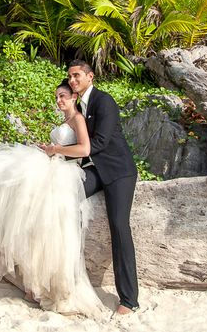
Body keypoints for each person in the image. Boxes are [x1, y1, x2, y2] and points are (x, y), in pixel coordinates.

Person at [0, 80, 103, 316]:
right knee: (20, 206)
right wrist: (49, 149)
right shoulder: (66, 121)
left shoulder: (78, 119)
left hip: (65, 172)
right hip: (53, 163)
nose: (59, 101)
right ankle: (35, 285)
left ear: (73, 98)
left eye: (62, 96)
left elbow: (83, 149)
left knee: (50, 226)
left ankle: (53, 287)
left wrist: (55, 150)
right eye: (56, 97)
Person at [65, 59, 139, 315]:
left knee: (119, 227)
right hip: (95, 170)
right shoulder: (77, 107)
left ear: (90, 76)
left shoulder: (103, 101)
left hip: (119, 172)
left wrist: (63, 154)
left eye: (77, 76)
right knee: (63, 196)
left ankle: (129, 299)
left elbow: (101, 141)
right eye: (70, 77)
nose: (73, 80)